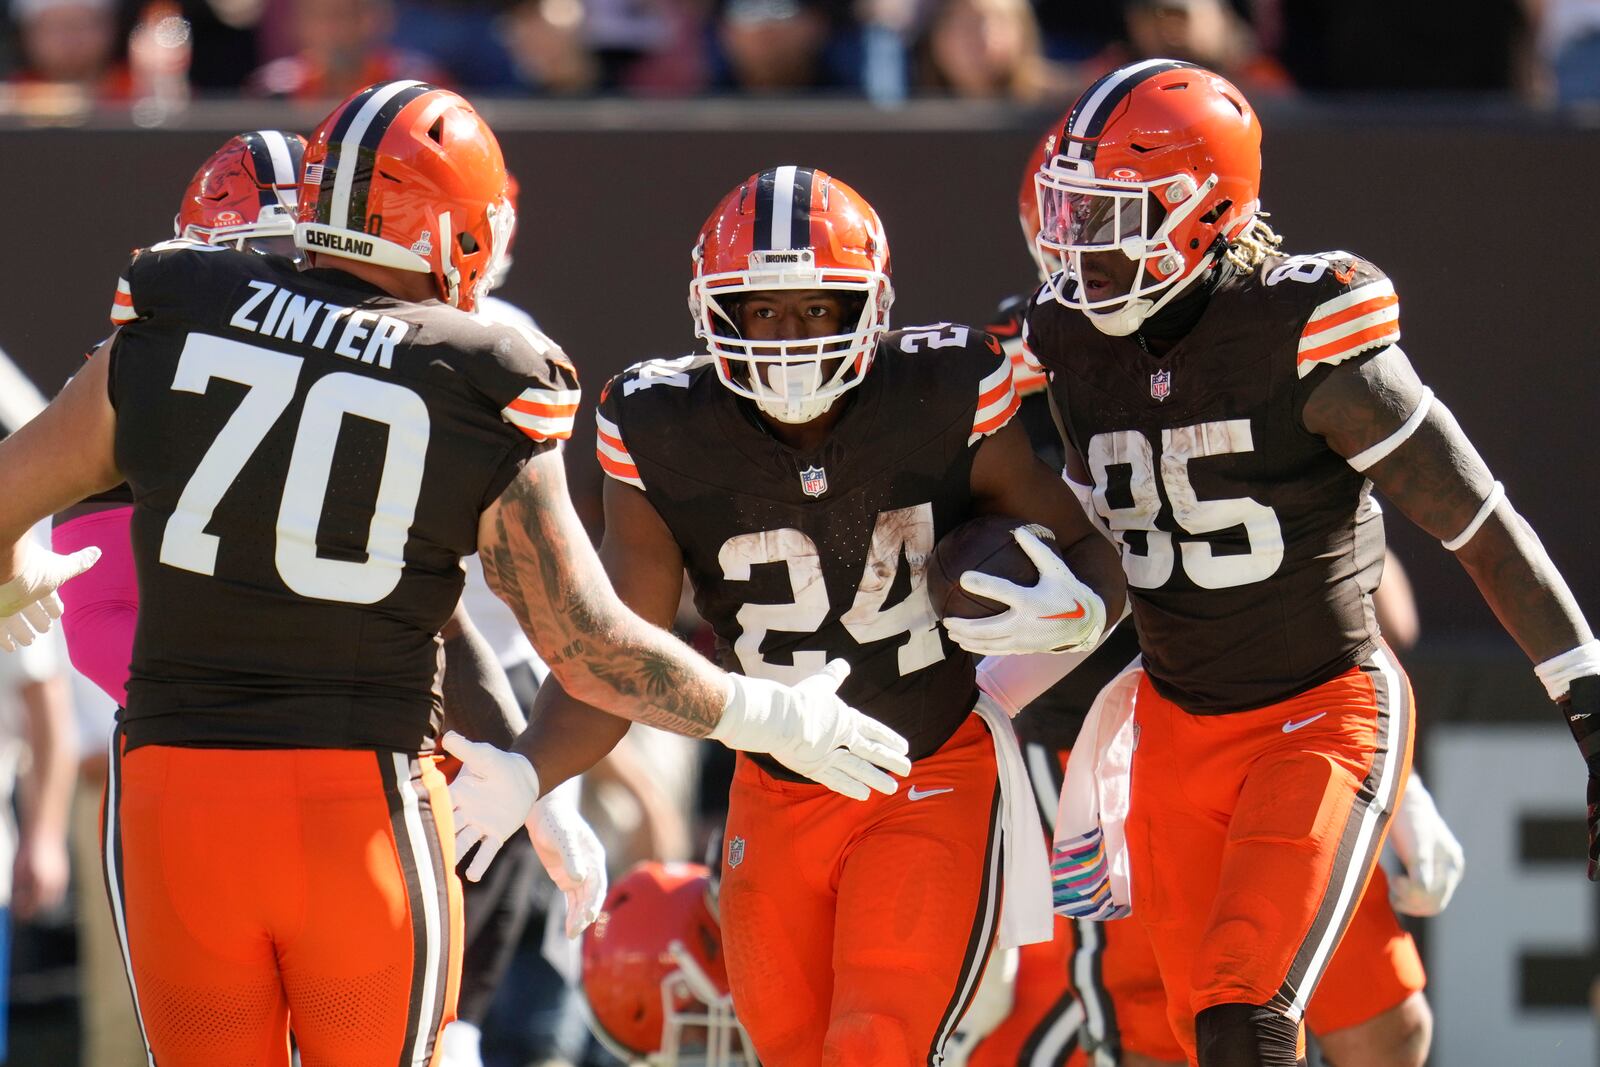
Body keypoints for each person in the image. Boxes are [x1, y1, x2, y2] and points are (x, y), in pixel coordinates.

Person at [0, 81, 908, 1067]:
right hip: (357, 809)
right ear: (462, 234)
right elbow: (590, 643)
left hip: (174, 800)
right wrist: (765, 714)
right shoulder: (480, 372)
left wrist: (13, 575)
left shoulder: (177, 307)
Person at [453, 163, 1127, 1067]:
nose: (788, 338)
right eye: (762, 310)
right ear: (713, 312)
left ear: (869, 308)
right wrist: (531, 769)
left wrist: (1077, 612)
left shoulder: (943, 390)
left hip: (923, 773)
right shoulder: (660, 423)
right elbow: (620, 651)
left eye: (816, 309)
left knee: (874, 1045)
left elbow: (1095, 548)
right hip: (773, 790)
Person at [1000, 59, 1596, 1064]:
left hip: (1319, 713)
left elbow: (1481, 528)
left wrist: (1590, 703)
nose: (1077, 248)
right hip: (1176, 727)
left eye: (1108, 217)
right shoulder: (1058, 339)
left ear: (1203, 206)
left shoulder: (1306, 331)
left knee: (1245, 1014)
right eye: (1070, 213)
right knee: (1365, 1024)